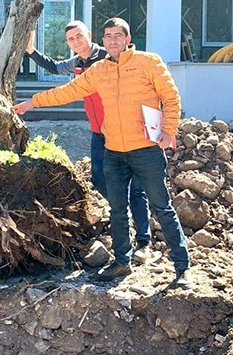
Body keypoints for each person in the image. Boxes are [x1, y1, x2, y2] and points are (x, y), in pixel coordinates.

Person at [14, 17, 191, 285]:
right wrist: (32, 102)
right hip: (114, 152)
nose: (112, 40)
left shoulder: (148, 62)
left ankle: (182, 267)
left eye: (117, 35)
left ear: (127, 39)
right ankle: (122, 262)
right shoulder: (98, 71)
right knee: (117, 210)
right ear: (103, 40)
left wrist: (169, 130)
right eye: (107, 36)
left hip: (146, 150)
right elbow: (68, 91)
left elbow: (171, 96)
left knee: (161, 207)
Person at [25, 21, 152, 261]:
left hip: (124, 129)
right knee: (99, 178)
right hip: (98, 132)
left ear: (90, 36)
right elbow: (53, 67)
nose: (76, 42)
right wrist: (30, 50)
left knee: (137, 187)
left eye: (79, 37)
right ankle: (123, 216)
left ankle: (144, 239)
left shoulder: (108, 56)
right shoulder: (77, 63)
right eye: (71, 39)